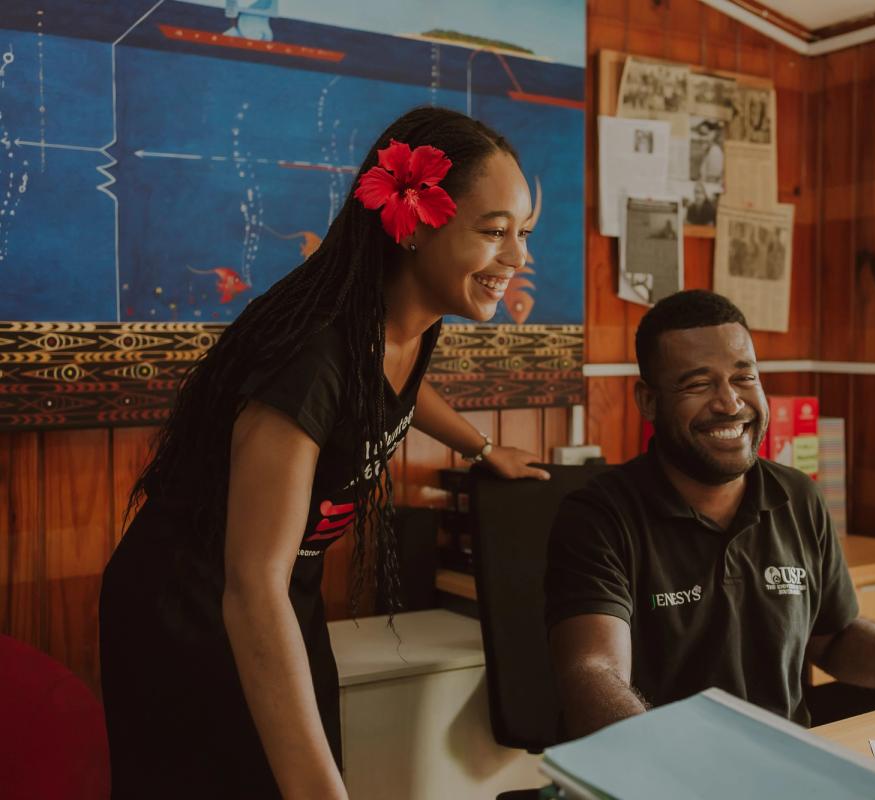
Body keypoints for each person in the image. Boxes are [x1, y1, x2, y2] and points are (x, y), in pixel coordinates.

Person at [100, 106, 549, 799]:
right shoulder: (312, 355)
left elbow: (395, 388)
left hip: (283, 590)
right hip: (195, 604)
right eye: (494, 233)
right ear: (415, 223)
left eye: (522, 233)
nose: (518, 258)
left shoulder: (401, 321)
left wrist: (482, 447)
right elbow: (250, 586)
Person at [545, 290, 875, 739]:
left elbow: (836, 640)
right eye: (698, 384)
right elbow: (594, 672)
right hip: (663, 773)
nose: (729, 403)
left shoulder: (798, 496)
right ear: (648, 402)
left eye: (744, 378)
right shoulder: (599, 517)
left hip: (782, 767)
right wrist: (660, 771)